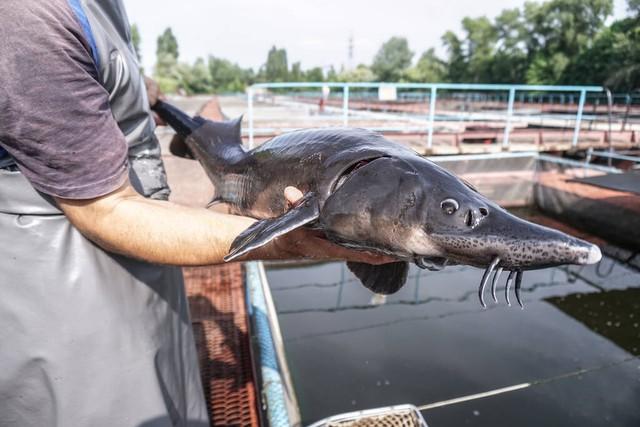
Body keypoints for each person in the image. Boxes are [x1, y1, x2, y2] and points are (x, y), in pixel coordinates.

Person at [0, 1, 388, 426]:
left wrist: (127, 82)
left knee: (170, 389)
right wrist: (289, 241)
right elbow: (106, 209)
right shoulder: (25, 14)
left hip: (139, 261)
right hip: (65, 294)